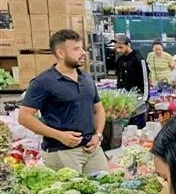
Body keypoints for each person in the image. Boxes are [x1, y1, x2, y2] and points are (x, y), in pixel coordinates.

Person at [18, 30, 108, 174]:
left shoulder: (86, 77)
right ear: (60, 53)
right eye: (76, 49)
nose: (83, 52)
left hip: (92, 149)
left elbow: (98, 109)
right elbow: (24, 117)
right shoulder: (43, 82)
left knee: (106, 190)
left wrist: (97, 135)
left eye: (82, 47)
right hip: (61, 152)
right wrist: (59, 135)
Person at [114, 35, 149, 128]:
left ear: (128, 45)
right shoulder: (119, 60)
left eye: (121, 47)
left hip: (138, 103)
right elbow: (119, 80)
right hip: (123, 103)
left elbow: (145, 81)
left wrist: (144, 101)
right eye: (116, 48)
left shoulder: (139, 60)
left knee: (138, 130)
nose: (118, 50)